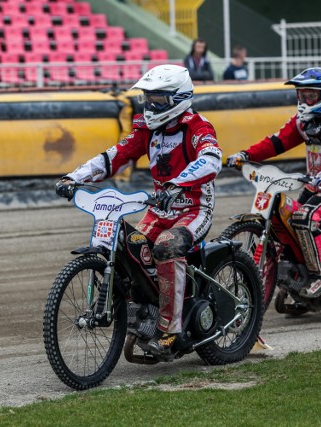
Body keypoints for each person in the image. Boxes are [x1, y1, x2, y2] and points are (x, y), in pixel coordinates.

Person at [55, 64, 222, 357]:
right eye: (148, 97)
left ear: (178, 98)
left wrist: (177, 184)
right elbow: (115, 156)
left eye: (158, 98)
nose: (151, 104)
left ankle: (171, 331)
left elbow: (211, 159)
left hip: (194, 207)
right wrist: (74, 177)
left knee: (166, 247)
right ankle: (144, 312)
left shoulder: (198, 126)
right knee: (130, 248)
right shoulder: (147, 130)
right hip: (159, 208)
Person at [226, 67, 321, 298]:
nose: (305, 99)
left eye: (311, 95)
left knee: (305, 217)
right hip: (312, 186)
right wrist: (245, 154)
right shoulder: (302, 122)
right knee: (286, 220)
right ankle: (298, 272)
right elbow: (276, 142)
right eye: (301, 94)